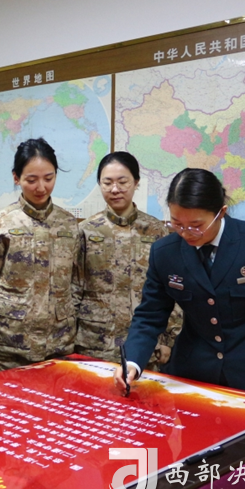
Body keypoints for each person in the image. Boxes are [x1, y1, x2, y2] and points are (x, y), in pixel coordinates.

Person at [114, 168, 245, 416]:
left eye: (196, 225)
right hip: (192, 374)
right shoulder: (165, 252)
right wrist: (132, 361)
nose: (186, 233)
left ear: (221, 212)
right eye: (177, 224)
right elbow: (150, 315)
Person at [0, 137, 79, 372]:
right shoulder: (1, 223)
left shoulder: (68, 224)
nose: (41, 187)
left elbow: (75, 281)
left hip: (58, 343)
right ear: (16, 177)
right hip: (10, 345)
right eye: (31, 180)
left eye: (48, 178)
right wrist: (12, 314)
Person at [76, 151, 181, 366]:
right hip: (94, 342)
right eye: (107, 183)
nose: (115, 189)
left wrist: (168, 338)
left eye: (122, 182)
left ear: (136, 182)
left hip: (144, 343)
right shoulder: (85, 230)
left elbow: (172, 286)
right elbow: (73, 287)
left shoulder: (157, 231)